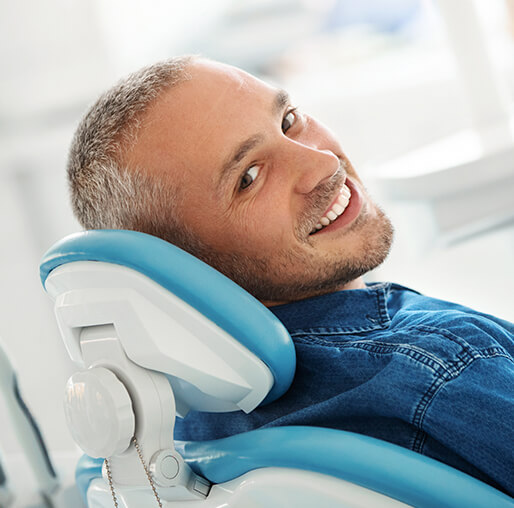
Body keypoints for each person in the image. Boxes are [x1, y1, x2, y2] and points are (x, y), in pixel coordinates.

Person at [67, 55, 514, 496]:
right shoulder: (445, 366)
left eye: (289, 119)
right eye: (250, 177)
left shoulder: (161, 439)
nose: (321, 163)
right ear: (186, 267)